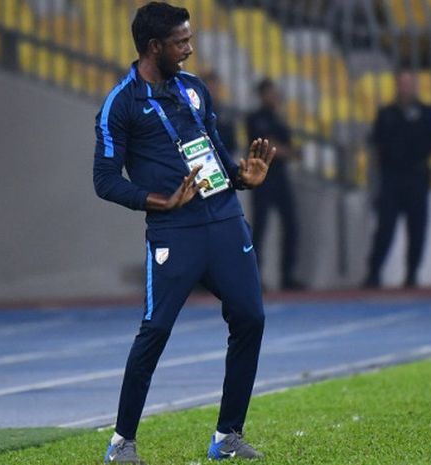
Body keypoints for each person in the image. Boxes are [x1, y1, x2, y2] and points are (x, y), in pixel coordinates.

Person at [93, 3, 276, 463]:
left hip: (226, 221)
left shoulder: (194, 90)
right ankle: (122, 443)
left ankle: (228, 436)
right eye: (181, 42)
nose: (190, 50)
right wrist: (160, 201)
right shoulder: (121, 103)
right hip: (176, 231)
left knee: (251, 319)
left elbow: (212, 152)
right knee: (155, 331)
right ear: (155, 47)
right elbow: (105, 180)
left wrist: (241, 176)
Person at [363, 70, 431, 289]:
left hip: (417, 177)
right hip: (392, 178)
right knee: (385, 228)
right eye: (402, 83)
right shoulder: (386, 113)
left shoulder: (428, 112)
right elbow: (377, 143)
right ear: (397, 85)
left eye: (410, 83)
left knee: (417, 228)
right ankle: (374, 273)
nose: (406, 88)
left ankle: (412, 274)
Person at [246, 79, 303, 290]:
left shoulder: (278, 120)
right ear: (262, 95)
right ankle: (255, 277)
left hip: (279, 177)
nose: (274, 96)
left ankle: (287, 275)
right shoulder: (255, 118)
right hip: (262, 178)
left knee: (291, 225)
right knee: (260, 228)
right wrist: (288, 152)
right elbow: (269, 146)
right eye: (270, 93)